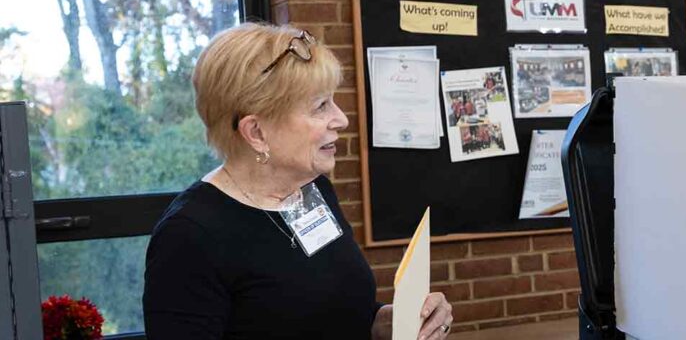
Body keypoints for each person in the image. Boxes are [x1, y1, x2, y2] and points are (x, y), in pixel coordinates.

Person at [143, 23, 455, 339]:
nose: (341, 119)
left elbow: (334, 311)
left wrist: (389, 322)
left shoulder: (312, 190)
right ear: (256, 132)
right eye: (320, 106)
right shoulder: (189, 236)